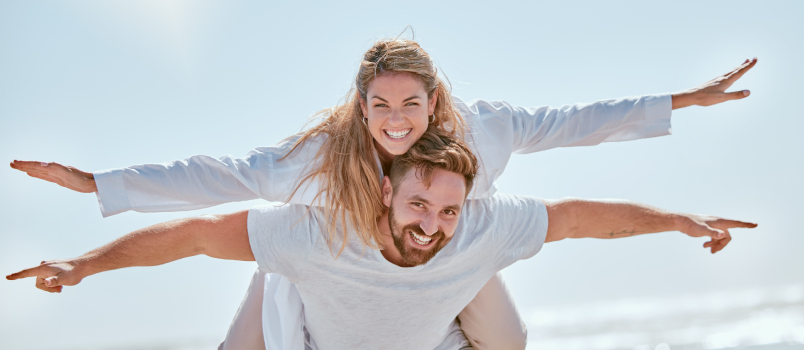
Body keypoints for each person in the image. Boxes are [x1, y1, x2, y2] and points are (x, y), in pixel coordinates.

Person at [9, 38, 757, 349]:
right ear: (361, 105)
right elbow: (215, 182)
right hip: (326, 261)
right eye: (380, 106)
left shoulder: (485, 134)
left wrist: (684, 102)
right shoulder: (318, 160)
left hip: (452, 252)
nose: (396, 121)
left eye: (411, 105)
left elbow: (575, 128)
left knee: (509, 341)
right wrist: (98, 186)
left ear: (435, 103)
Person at [6, 132, 758, 349]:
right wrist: (85, 264)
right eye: (418, 203)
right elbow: (199, 233)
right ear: (385, 194)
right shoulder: (318, 232)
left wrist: (679, 220)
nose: (432, 222)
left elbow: (578, 217)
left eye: (448, 210)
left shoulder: (479, 226)